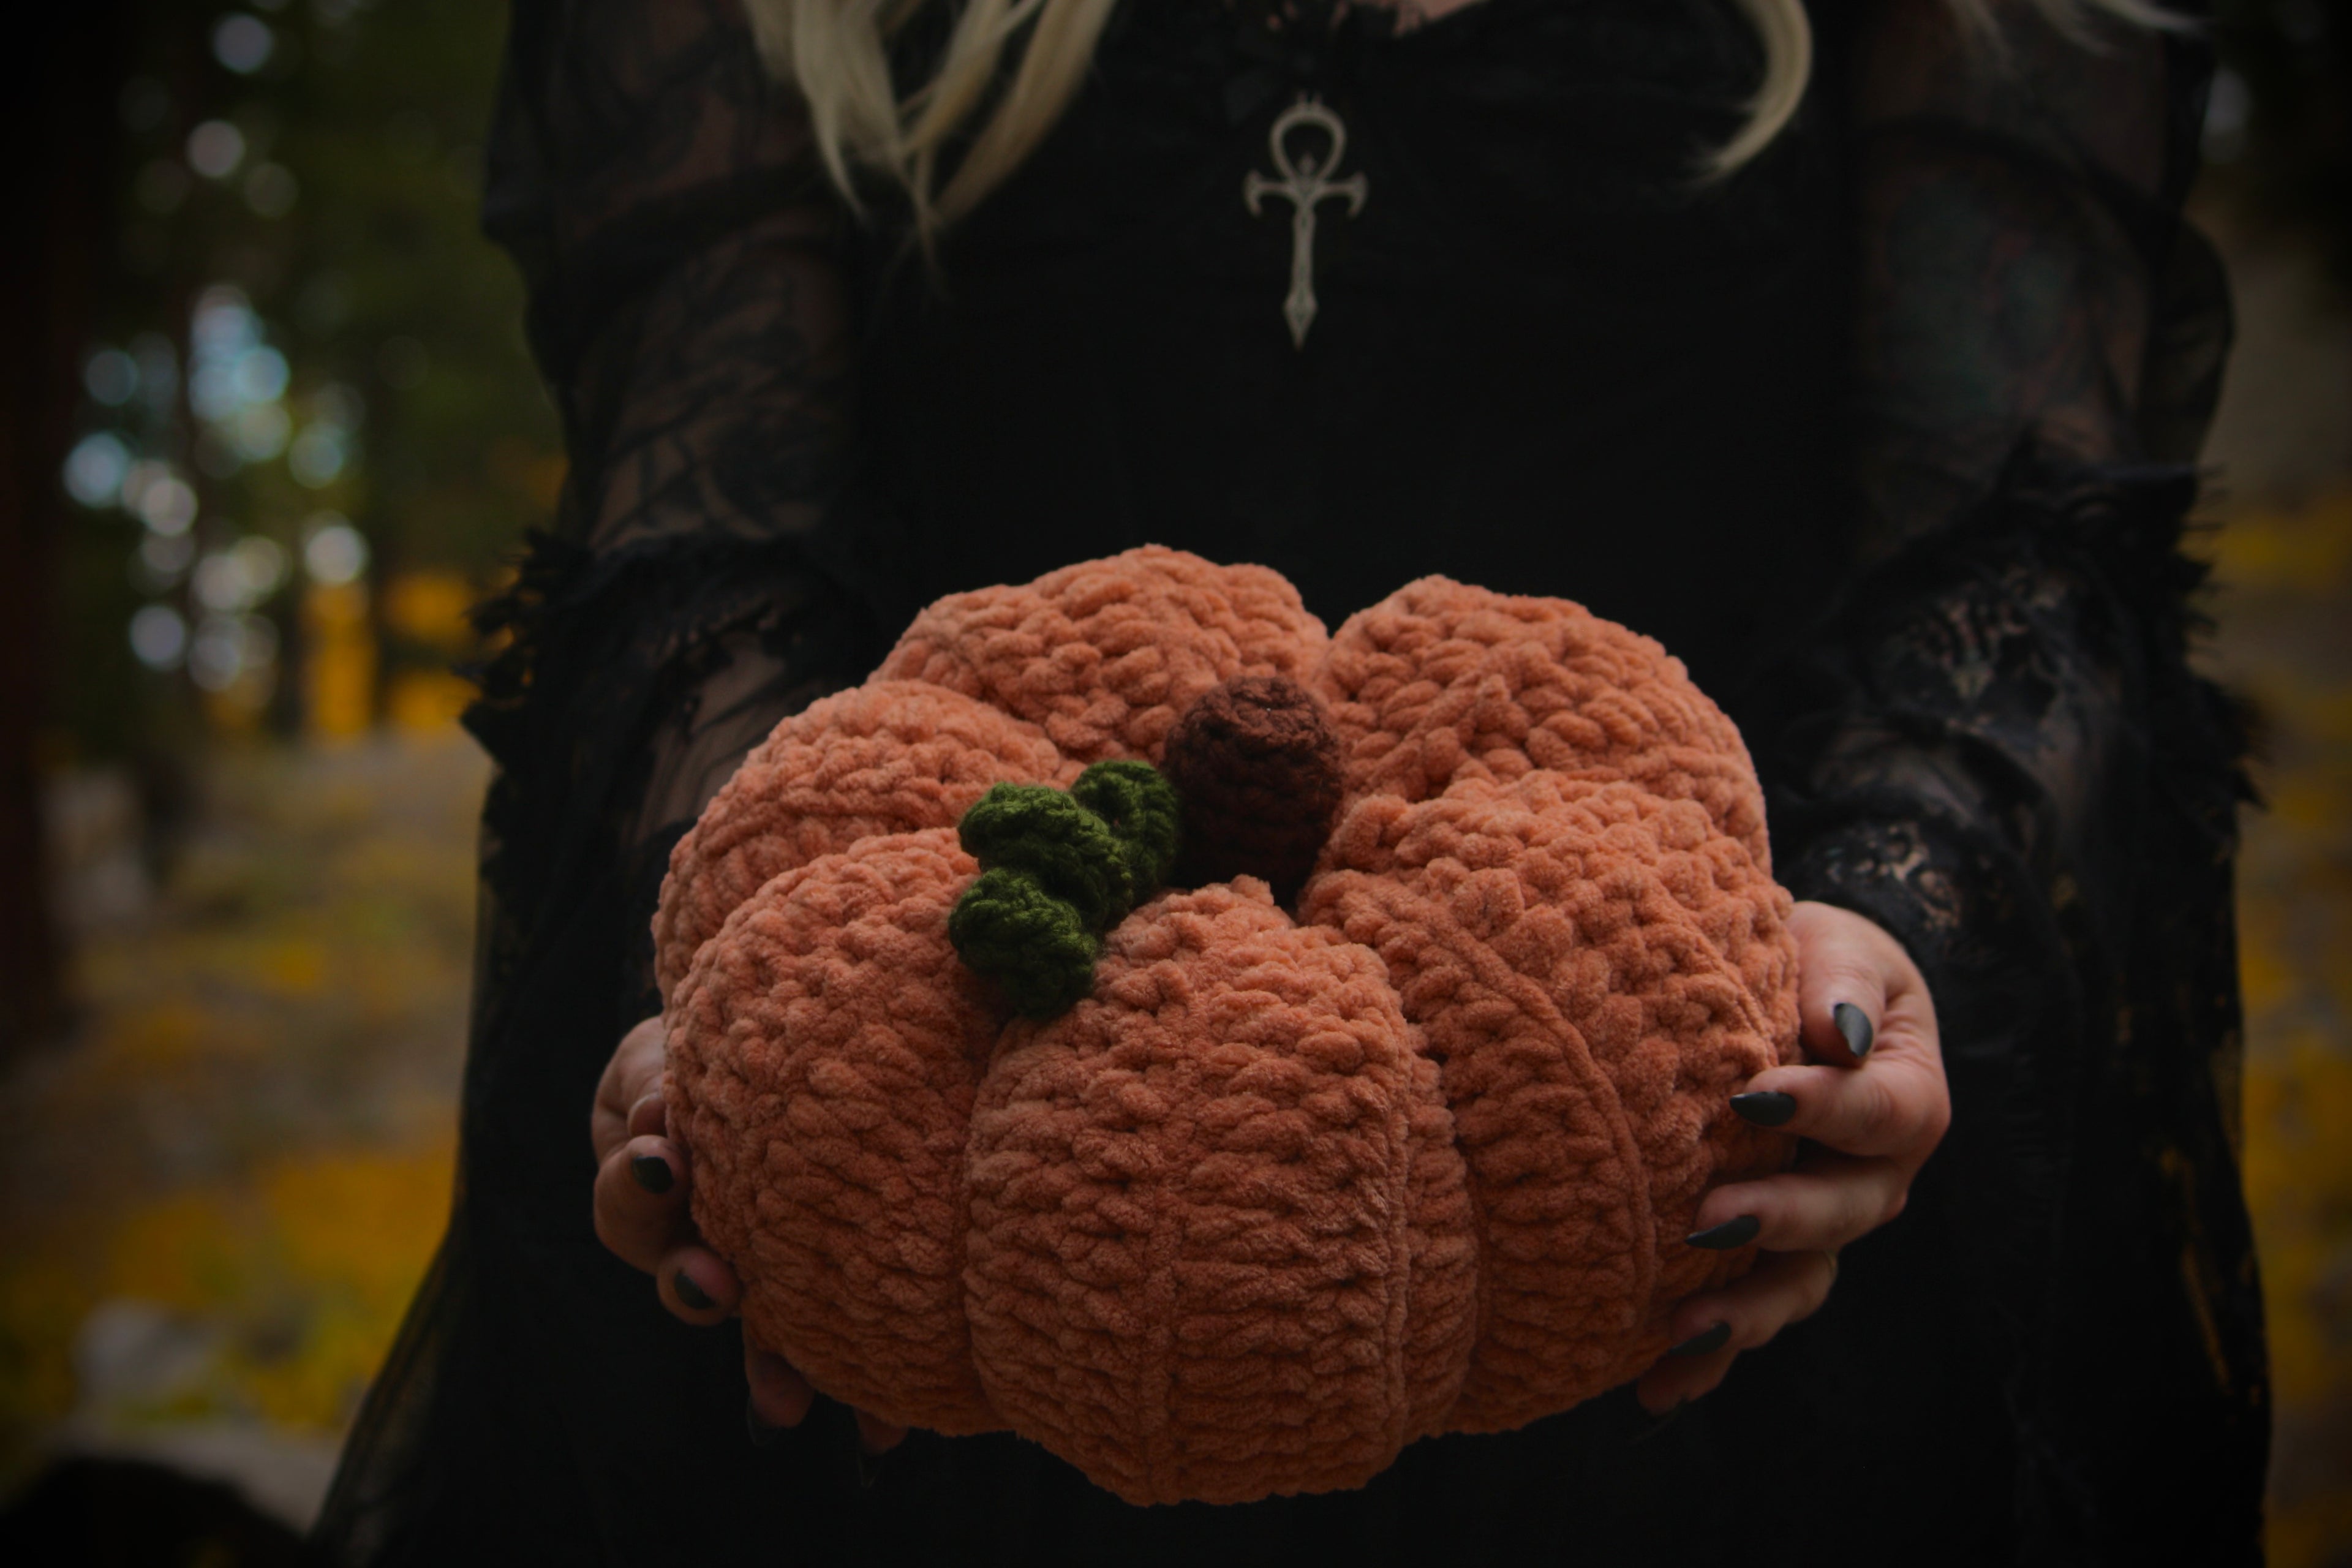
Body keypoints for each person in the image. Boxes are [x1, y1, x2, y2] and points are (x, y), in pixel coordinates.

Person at [314, 1, 2266, 1562]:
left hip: (1676, 1137)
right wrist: (770, 983)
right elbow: (700, 536)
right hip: (960, 1139)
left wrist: (1888, 911)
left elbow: (2028, 532)